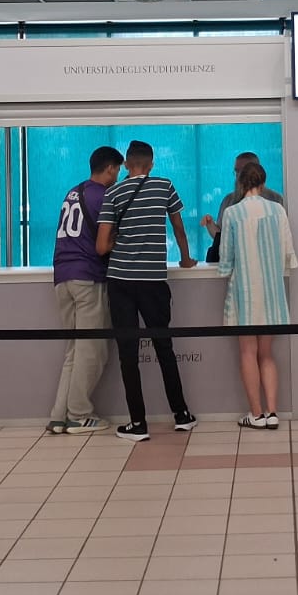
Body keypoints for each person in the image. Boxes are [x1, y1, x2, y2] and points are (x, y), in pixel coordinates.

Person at [96, 139, 198, 441]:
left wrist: (122, 241)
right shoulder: (165, 186)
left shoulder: (113, 192)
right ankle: (181, 415)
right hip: (153, 280)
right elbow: (178, 226)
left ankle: (138, 424)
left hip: (120, 282)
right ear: (151, 164)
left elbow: (102, 245)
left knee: (128, 353)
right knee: (164, 346)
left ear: (127, 164)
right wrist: (185, 257)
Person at [47, 145, 123, 436]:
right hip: (88, 277)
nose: (117, 175)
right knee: (91, 350)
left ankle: (58, 415)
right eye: (117, 170)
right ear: (110, 169)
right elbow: (105, 240)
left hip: (62, 276)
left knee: (75, 350)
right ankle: (79, 414)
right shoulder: (104, 196)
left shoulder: (73, 192)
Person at [218, 161, 296, 429]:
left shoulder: (232, 213)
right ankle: (273, 412)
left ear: (241, 182)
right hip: (272, 291)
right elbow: (288, 251)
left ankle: (256, 414)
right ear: (263, 182)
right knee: (267, 353)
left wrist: (226, 270)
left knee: (247, 353)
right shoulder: (278, 210)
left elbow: (225, 259)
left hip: (244, 292)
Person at [201, 150, 284, 263]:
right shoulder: (228, 201)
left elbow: (282, 238)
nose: (239, 176)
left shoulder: (276, 201)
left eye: (243, 171)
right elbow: (221, 237)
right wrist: (210, 224)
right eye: (236, 172)